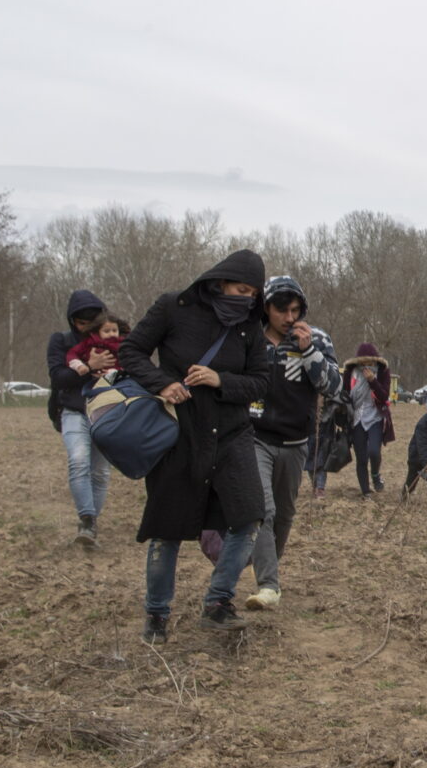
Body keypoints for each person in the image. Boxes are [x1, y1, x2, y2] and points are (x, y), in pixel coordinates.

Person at [117, 250, 270, 643]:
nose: (247, 298)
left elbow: (260, 381)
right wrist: (161, 384)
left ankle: (218, 603)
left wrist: (221, 381)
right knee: (166, 530)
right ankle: (156, 615)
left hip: (232, 435)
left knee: (249, 516)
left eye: (253, 293)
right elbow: (131, 351)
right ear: (220, 282)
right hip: (178, 433)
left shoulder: (251, 327)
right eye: (241, 289)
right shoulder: (173, 307)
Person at [244, 275, 336, 609]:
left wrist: (308, 350)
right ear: (265, 308)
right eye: (281, 310)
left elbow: (334, 386)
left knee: (284, 514)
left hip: (296, 442)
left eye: (295, 310)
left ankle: (268, 564)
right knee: (262, 510)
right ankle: (269, 586)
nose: (289, 318)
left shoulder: (317, 339)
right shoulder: (250, 339)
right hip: (255, 438)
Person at [46, 289, 115, 547]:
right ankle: (86, 520)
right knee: (78, 462)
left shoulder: (112, 338)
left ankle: (90, 526)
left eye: (92, 322)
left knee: (100, 473)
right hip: (73, 410)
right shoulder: (61, 341)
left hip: (106, 411)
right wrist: (89, 368)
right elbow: (58, 377)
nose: (87, 328)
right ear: (73, 321)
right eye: (81, 322)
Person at [340, 343, 395, 496]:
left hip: (375, 417)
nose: (366, 366)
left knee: (374, 452)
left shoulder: (382, 372)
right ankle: (366, 492)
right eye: (363, 363)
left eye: (369, 363)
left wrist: (372, 381)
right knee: (361, 457)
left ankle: (376, 475)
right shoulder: (351, 373)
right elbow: (345, 394)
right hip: (356, 418)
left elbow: (384, 396)